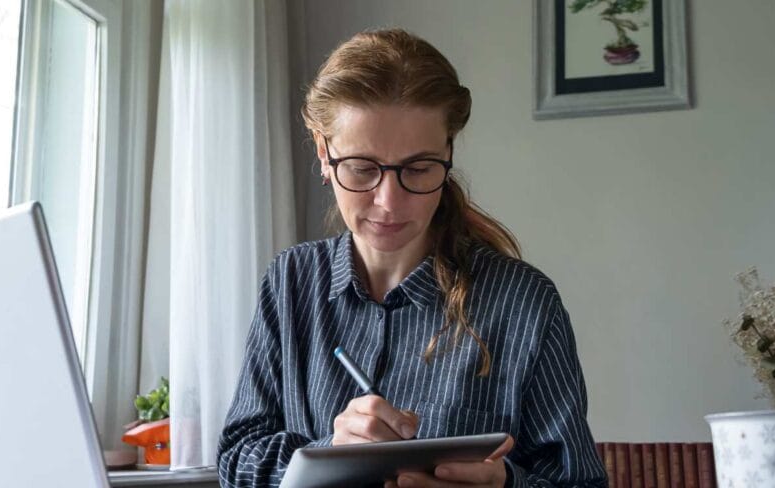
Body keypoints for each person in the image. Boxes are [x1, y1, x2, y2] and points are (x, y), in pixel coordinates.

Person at [217, 29, 607, 488]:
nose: (389, 201)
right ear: (324, 155)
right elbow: (236, 462)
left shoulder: (524, 302)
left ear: (448, 153)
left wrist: (506, 484)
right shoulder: (290, 281)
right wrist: (328, 452)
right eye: (362, 168)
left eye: (418, 169)